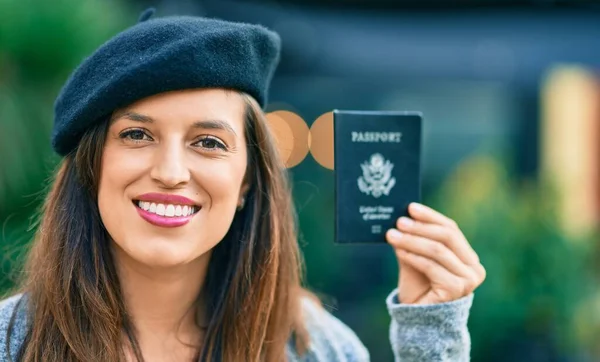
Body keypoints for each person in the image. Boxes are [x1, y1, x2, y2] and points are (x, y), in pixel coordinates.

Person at [0, 8, 486, 362]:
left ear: (248, 181)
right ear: (91, 166)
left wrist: (430, 341)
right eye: (137, 135)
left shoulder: (317, 349)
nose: (171, 172)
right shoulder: (9, 341)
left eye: (208, 142)